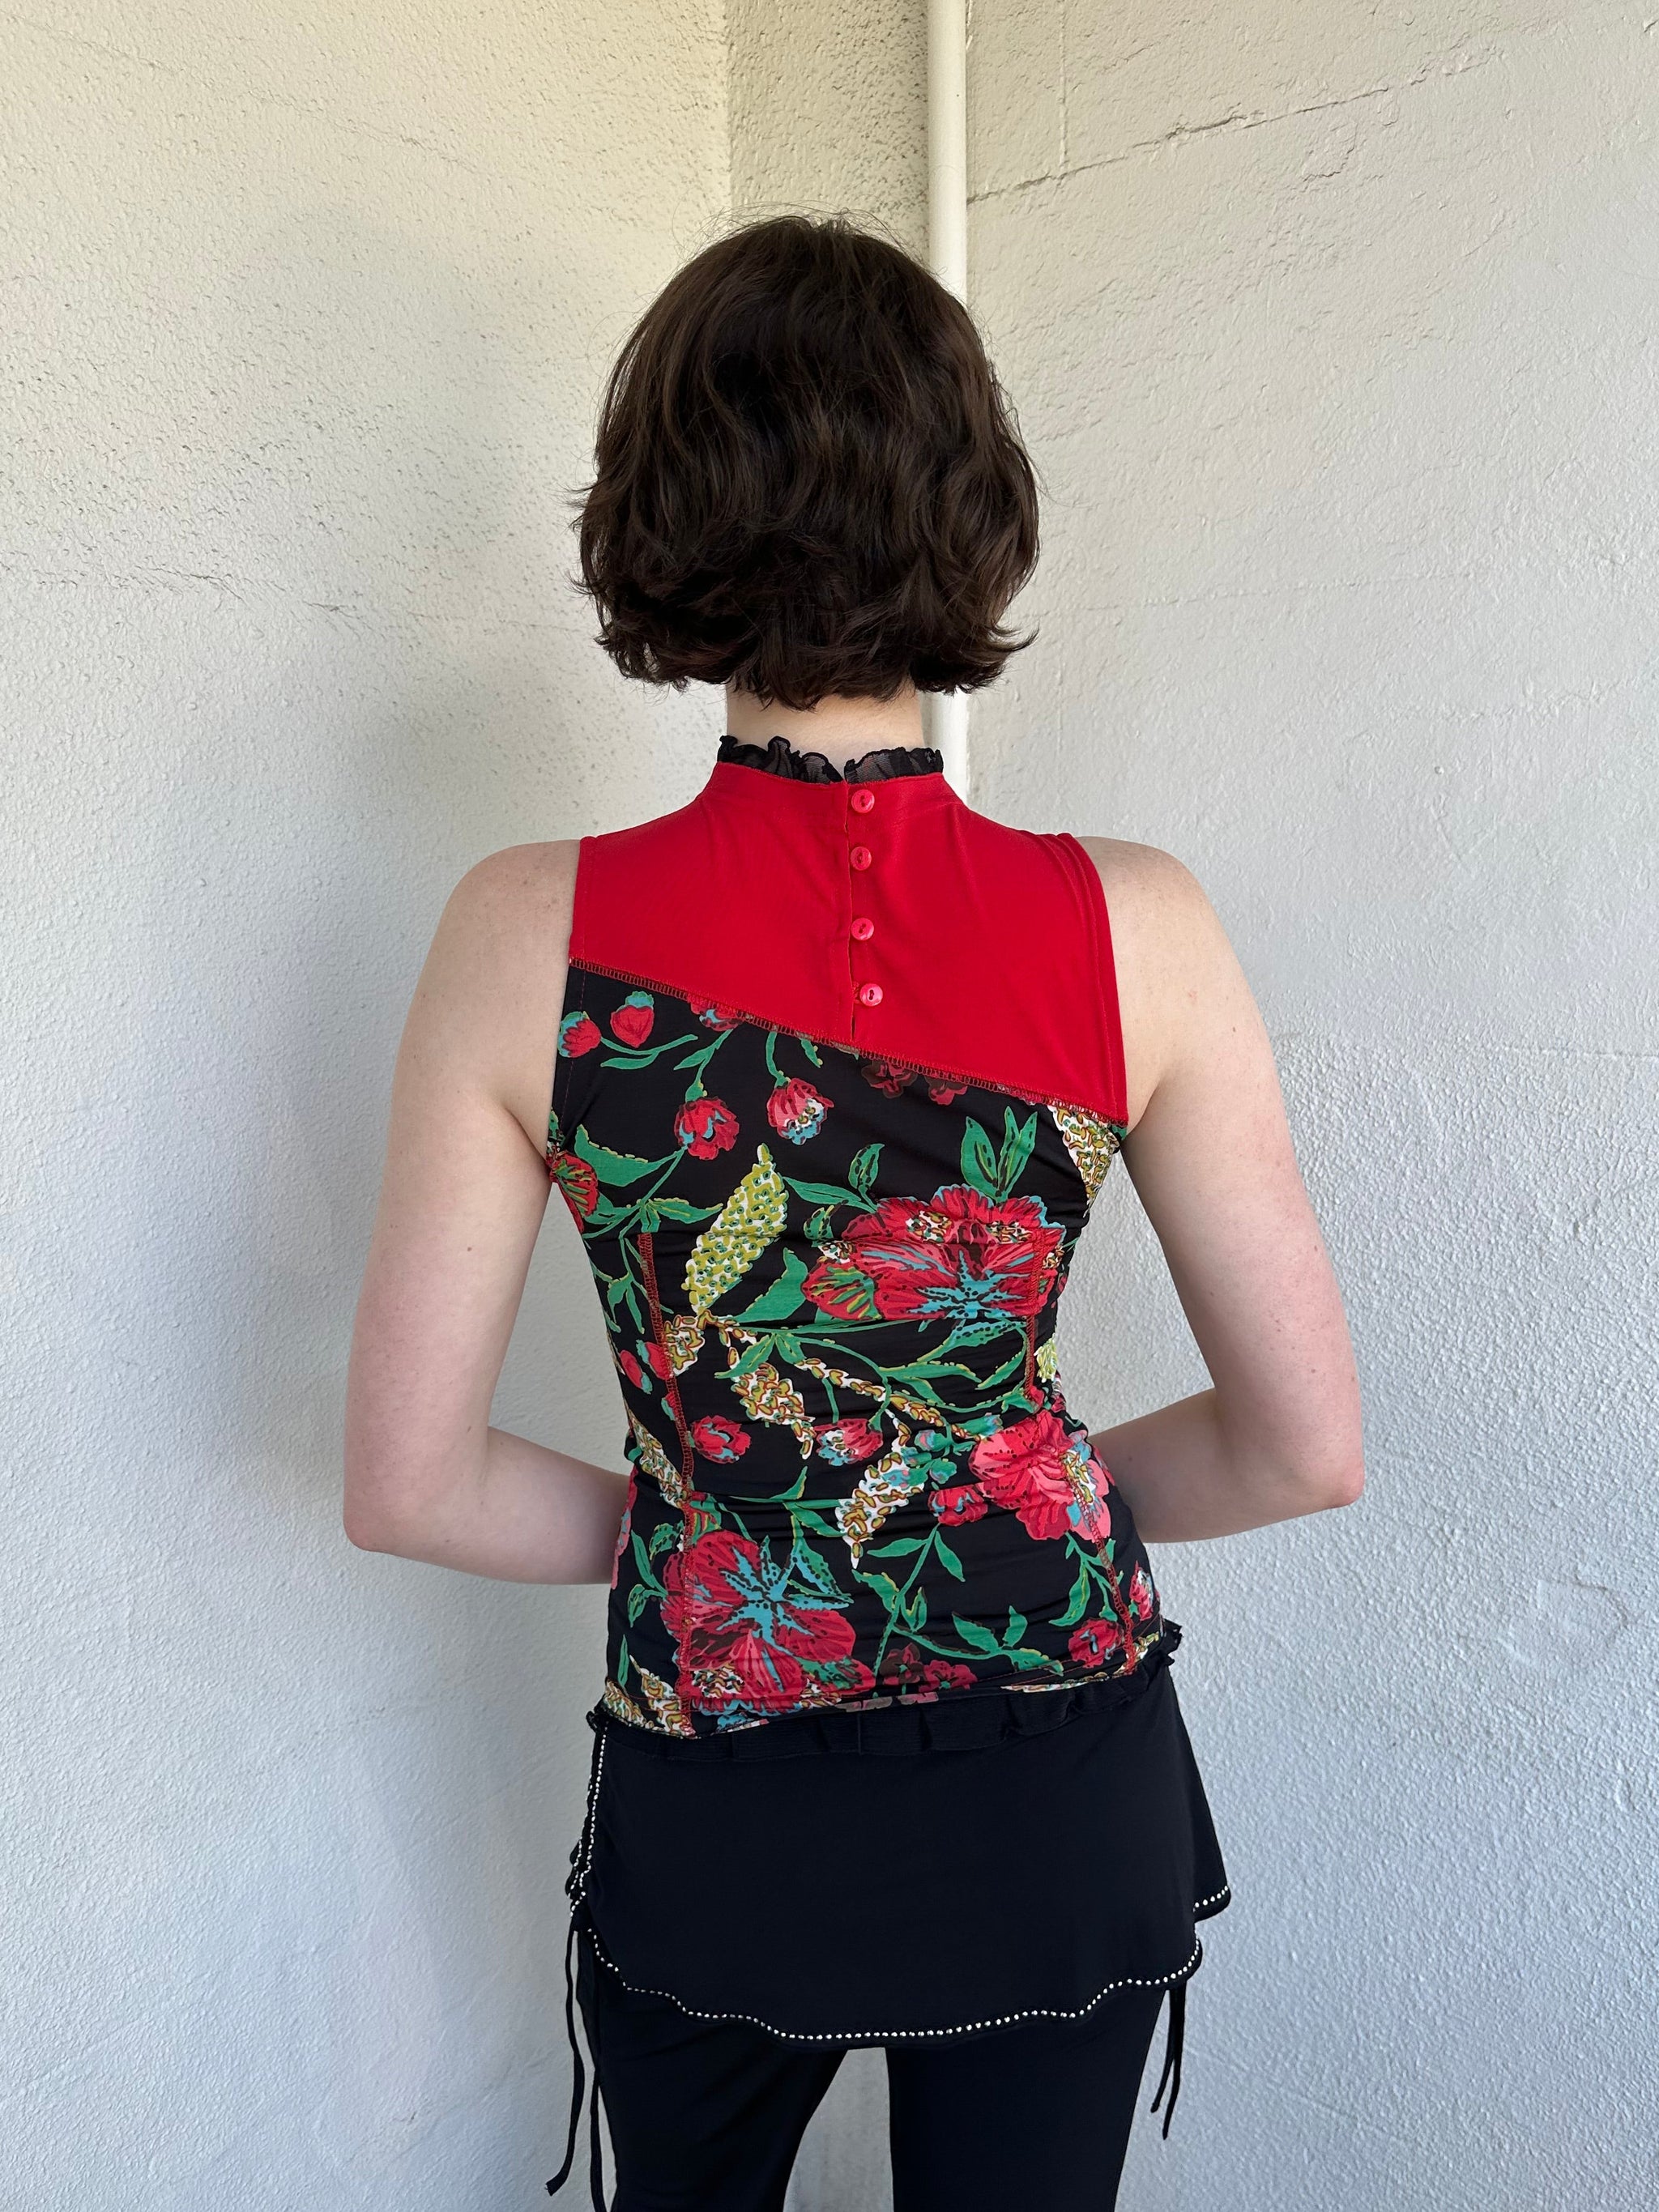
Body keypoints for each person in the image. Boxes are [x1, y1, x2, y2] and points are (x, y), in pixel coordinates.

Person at [343, 213, 1365, 2212]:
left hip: (722, 1784)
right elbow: (1301, 1446)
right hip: (1057, 1784)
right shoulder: (1138, 927)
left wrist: (760, 1523)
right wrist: (974, 1495)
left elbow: (409, 1483)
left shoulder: (519, 934)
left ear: (653, 518)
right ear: (972, 519)